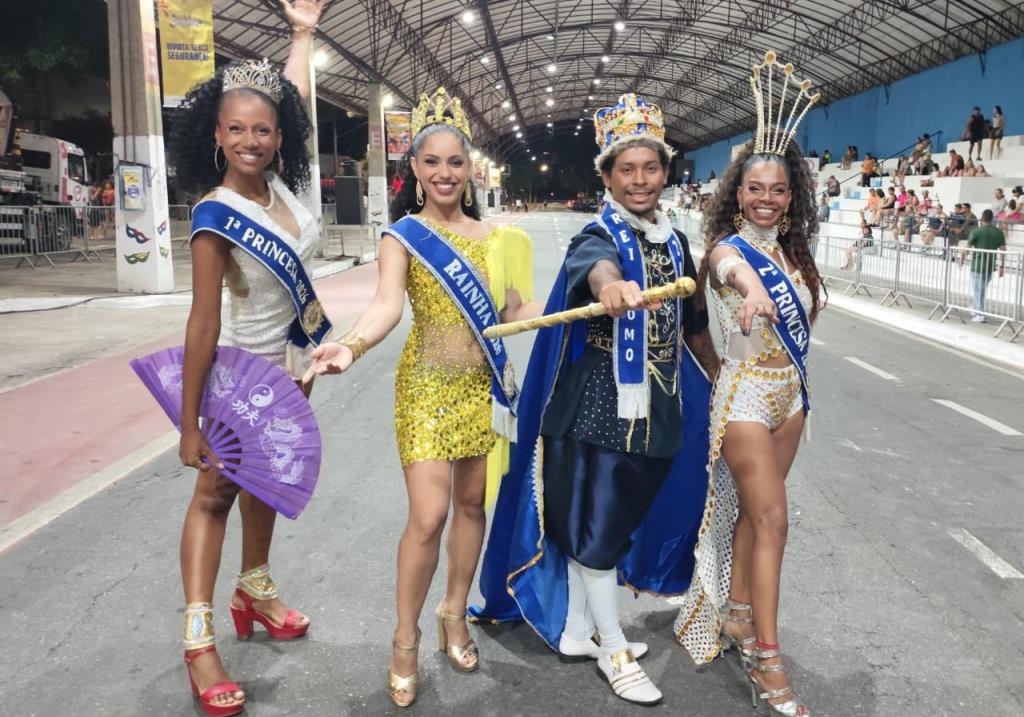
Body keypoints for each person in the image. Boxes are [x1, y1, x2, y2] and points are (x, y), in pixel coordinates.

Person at [471, 93, 719, 706]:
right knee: (597, 530)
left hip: (659, 411)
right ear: (606, 177)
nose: (639, 181)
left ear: (666, 173)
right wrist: (613, 287)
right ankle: (613, 647)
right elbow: (597, 267)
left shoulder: (677, 244)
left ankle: (579, 629)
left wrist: (721, 383)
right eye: (626, 170)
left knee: (614, 525)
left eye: (650, 168)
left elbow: (693, 329)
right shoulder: (597, 235)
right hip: (599, 410)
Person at [304, 86, 538, 709]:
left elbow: (519, 311)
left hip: (481, 388)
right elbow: (384, 308)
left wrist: (579, 311)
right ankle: (404, 637)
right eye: (431, 162)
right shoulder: (402, 237)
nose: (444, 173)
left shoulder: (498, 238)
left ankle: (454, 613)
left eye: (455, 163)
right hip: (427, 388)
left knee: (471, 508)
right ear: (414, 169)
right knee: (429, 516)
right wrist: (349, 346)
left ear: (470, 171)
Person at [167, 3, 325, 715]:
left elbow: (285, 92)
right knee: (216, 495)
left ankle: (254, 586)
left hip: (293, 370)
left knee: (267, 480)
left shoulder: (282, 188)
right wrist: (188, 420)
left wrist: (302, 36)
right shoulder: (215, 213)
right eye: (237, 129)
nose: (251, 140)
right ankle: (200, 639)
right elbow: (202, 322)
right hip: (240, 373)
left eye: (262, 129)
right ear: (216, 135)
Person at [676, 51, 824, 717]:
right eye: (755, 188)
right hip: (742, 396)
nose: (766, 198)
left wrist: (778, 281)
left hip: (791, 398)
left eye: (778, 190)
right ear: (737, 191)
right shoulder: (725, 250)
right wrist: (754, 287)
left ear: (793, 197)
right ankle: (768, 656)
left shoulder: (796, 250)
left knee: (751, 516)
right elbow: (735, 270)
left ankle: (738, 614)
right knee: (773, 520)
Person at [967, 210, 1006, 322]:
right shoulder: (998, 232)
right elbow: (1003, 250)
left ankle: (979, 313)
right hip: (990, 265)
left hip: (977, 265)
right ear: (992, 218)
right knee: (981, 289)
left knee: (979, 290)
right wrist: (1002, 266)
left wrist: (961, 260)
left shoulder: (976, 231)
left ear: (982, 218)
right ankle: (976, 309)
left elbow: (967, 248)